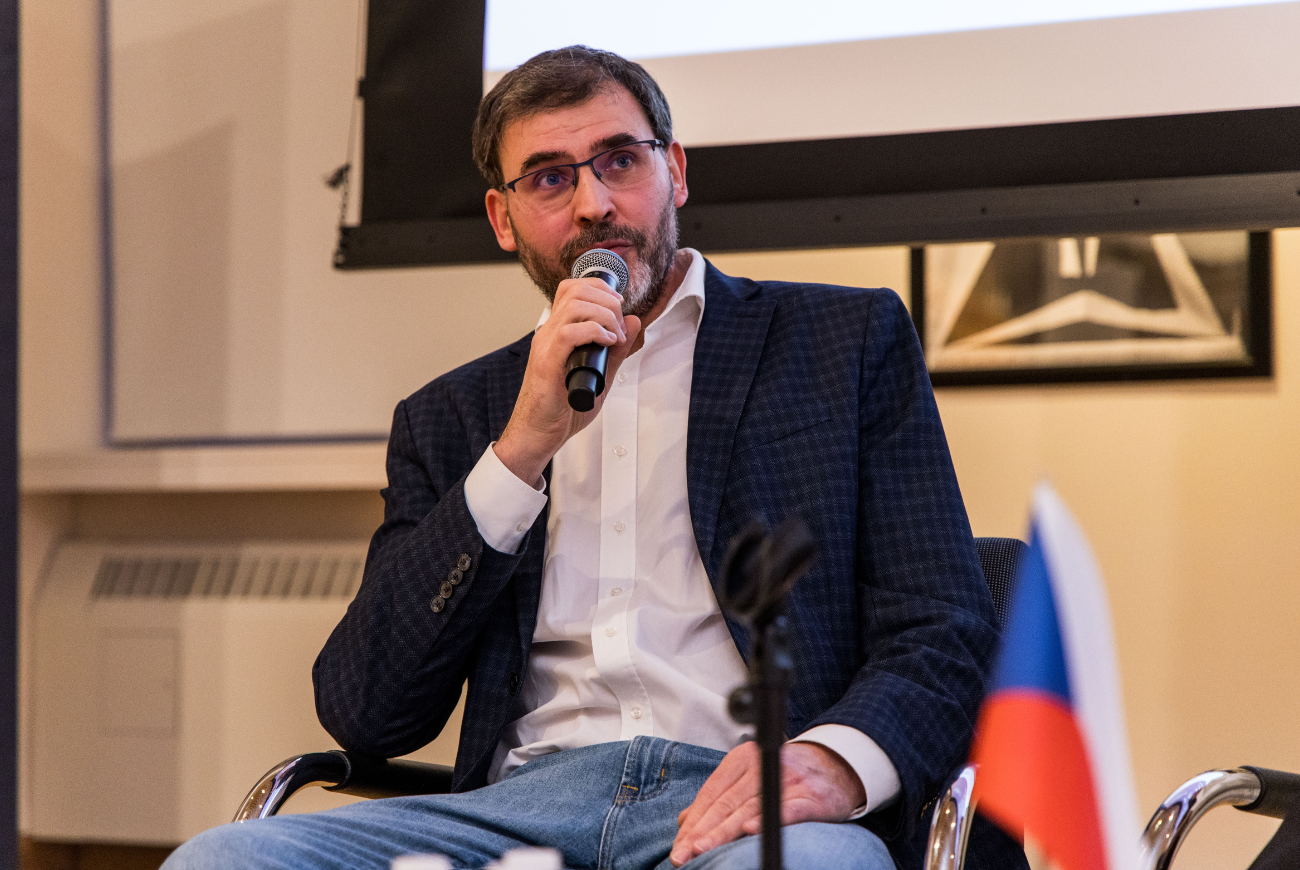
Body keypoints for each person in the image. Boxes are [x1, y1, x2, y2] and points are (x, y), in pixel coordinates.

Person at [165, 46, 1024, 870]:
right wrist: (520, 451)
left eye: (620, 161)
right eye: (549, 178)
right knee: (221, 858)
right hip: (516, 810)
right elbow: (367, 712)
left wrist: (832, 762)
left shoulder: (841, 342)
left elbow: (944, 627)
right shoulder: (451, 417)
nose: (593, 205)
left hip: (739, 796)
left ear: (674, 171)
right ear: (503, 219)